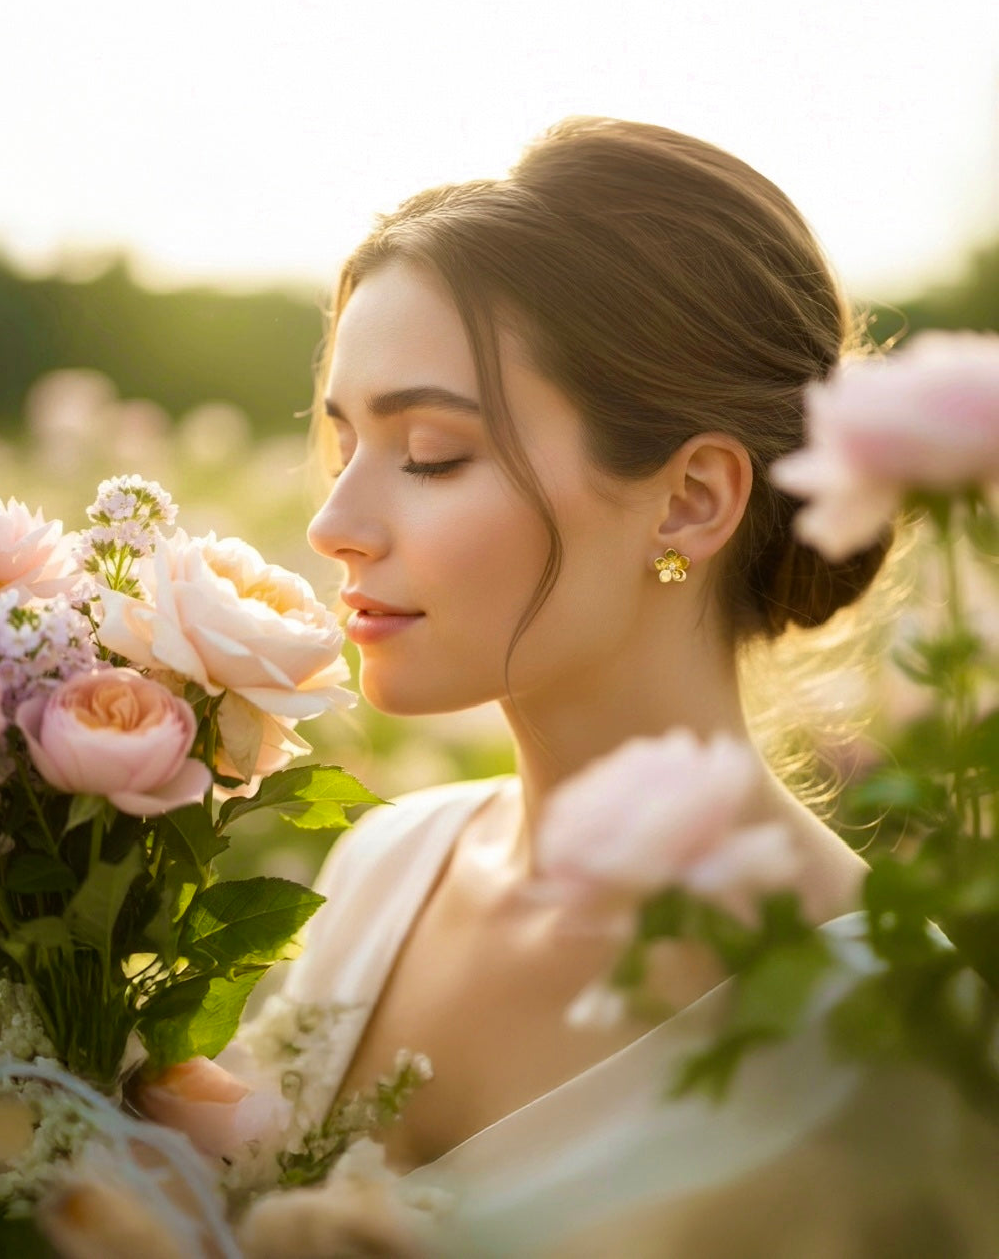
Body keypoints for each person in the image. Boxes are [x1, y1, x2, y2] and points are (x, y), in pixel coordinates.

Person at [172, 119, 999, 1256]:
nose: (335, 525)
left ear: (691, 501)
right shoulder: (385, 865)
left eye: (430, 454)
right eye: (344, 443)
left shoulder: (888, 1041)